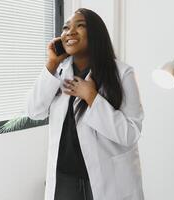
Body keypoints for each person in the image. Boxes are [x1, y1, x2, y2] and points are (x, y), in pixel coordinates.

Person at [26, 8, 145, 200]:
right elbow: (34, 111)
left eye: (80, 26)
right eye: (65, 28)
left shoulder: (122, 74)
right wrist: (51, 64)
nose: (70, 32)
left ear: (96, 34)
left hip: (107, 178)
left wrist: (91, 97)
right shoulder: (59, 71)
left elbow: (130, 134)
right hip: (65, 179)